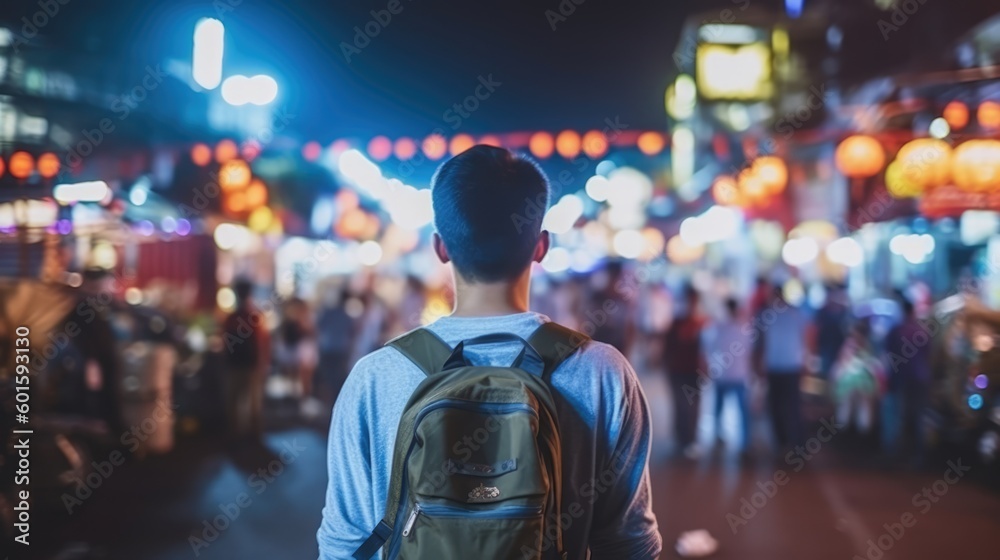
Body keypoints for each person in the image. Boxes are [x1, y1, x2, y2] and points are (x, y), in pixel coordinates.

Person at [318, 145, 661, 559]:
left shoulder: (375, 377)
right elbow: (629, 545)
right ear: (541, 246)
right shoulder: (602, 372)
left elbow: (343, 546)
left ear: (441, 248)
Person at [760, 286, 811, 449]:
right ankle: (784, 441)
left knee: (790, 407)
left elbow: (808, 336)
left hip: (789, 367)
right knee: (779, 407)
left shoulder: (793, 314)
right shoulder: (768, 316)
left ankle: (795, 442)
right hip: (778, 367)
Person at [883, 297, 930, 464]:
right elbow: (927, 356)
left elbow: (889, 357)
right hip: (921, 380)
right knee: (918, 417)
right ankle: (918, 455)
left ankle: (897, 453)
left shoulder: (896, 330)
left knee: (900, 417)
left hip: (903, 380)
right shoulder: (922, 331)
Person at [222, 279, 270, 440]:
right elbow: (262, 342)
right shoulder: (253, 315)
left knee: (237, 402)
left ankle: (239, 435)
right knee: (251, 402)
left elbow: (225, 341)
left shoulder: (235, 317)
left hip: (240, 365)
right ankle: (252, 436)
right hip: (248, 365)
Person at [704, 298, 752, 455]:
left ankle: (718, 436)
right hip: (739, 375)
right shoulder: (744, 328)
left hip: (722, 375)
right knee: (742, 411)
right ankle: (745, 442)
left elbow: (709, 348)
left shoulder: (718, 327)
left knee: (718, 408)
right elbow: (750, 352)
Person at [664, 284, 706, 459]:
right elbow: (668, 347)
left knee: (693, 406)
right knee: (681, 405)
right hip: (678, 370)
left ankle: (690, 440)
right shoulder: (677, 322)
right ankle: (682, 439)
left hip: (694, 371)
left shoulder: (702, 322)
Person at [831, 318, 884, 436]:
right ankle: (845, 431)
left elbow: (876, 368)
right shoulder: (849, 345)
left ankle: (861, 434)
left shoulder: (870, 347)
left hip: (864, 386)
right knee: (847, 406)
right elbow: (840, 364)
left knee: (863, 408)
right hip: (848, 384)